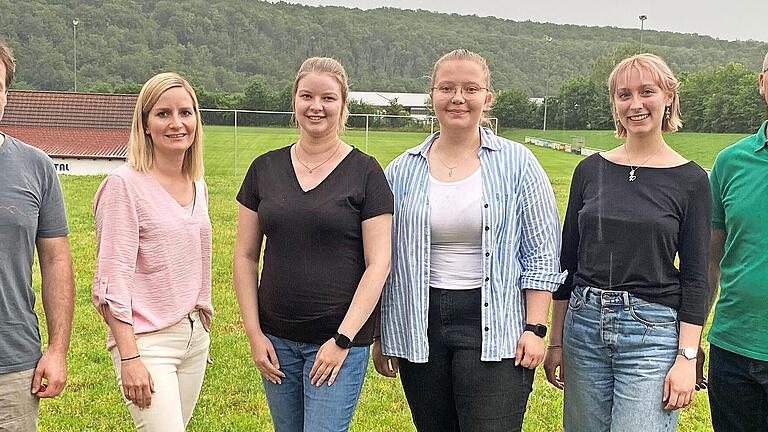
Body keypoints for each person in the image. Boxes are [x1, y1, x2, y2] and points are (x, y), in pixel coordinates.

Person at [373, 49, 565, 432]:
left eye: (470, 88)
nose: (458, 98)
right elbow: (383, 256)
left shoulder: (518, 163)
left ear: (487, 97)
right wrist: (381, 333)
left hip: (496, 323)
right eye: (447, 88)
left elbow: (543, 251)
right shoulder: (401, 170)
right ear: (432, 96)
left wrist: (535, 327)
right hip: (420, 322)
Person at [544, 53, 711, 431]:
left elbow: (696, 277)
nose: (635, 104)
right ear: (615, 104)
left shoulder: (691, 180)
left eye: (646, 92)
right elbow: (567, 263)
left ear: (668, 96)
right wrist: (556, 341)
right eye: (624, 95)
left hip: (651, 333)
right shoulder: (589, 170)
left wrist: (686, 358)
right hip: (584, 327)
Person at [233, 57, 393, 432]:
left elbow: (379, 264)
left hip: (337, 344)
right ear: (294, 101)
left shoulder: (366, 172)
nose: (316, 106)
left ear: (343, 105)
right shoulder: (264, 169)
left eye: (328, 98)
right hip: (276, 342)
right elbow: (244, 256)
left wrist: (342, 339)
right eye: (306, 96)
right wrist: (255, 335)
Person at [92, 72, 212, 431]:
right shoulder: (123, 186)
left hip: (192, 337)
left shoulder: (196, 182)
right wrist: (130, 357)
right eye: (163, 114)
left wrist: (200, 329)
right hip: (147, 343)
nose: (177, 123)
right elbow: (111, 282)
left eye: (185, 113)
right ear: (145, 124)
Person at [0, 38, 75, 432]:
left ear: (6, 94)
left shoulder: (35, 166)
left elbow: (56, 260)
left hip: (11, 364)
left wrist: (58, 349)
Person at [706, 51, 768, 432]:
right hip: (734, 350)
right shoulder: (731, 162)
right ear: (762, 83)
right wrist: (689, 338)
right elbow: (709, 261)